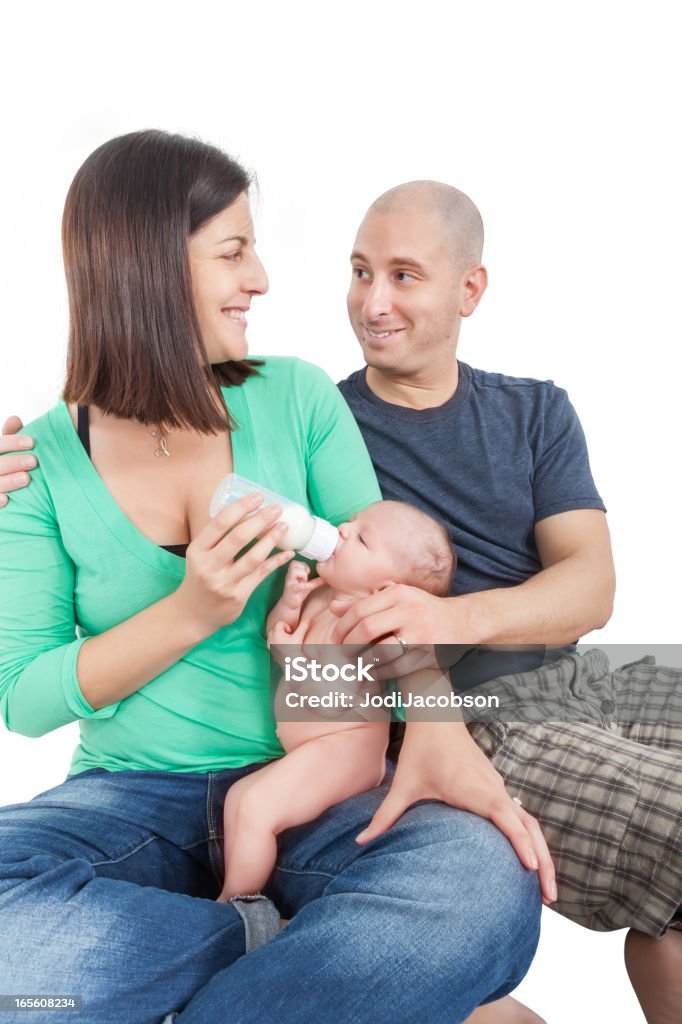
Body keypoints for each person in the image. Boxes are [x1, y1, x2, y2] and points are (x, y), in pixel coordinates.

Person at [0, 135, 541, 1024]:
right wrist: (190, 612)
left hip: (312, 780)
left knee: (479, 884)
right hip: (128, 796)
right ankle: (276, 951)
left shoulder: (294, 398)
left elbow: (383, 603)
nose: (260, 279)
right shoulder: (39, 460)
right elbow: (23, 697)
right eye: (233, 251)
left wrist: (434, 729)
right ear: (145, 268)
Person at [219, 499, 456, 900]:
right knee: (239, 798)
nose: (343, 530)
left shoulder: (365, 627)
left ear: (382, 590)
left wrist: (289, 657)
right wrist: (289, 603)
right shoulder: (322, 591)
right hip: (311, 747)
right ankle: (240, 893)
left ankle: (236, 904)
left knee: (257, 806)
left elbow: (336, 697)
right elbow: (278, 629)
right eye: (351, 522)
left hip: (347, 750)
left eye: (362, 538)